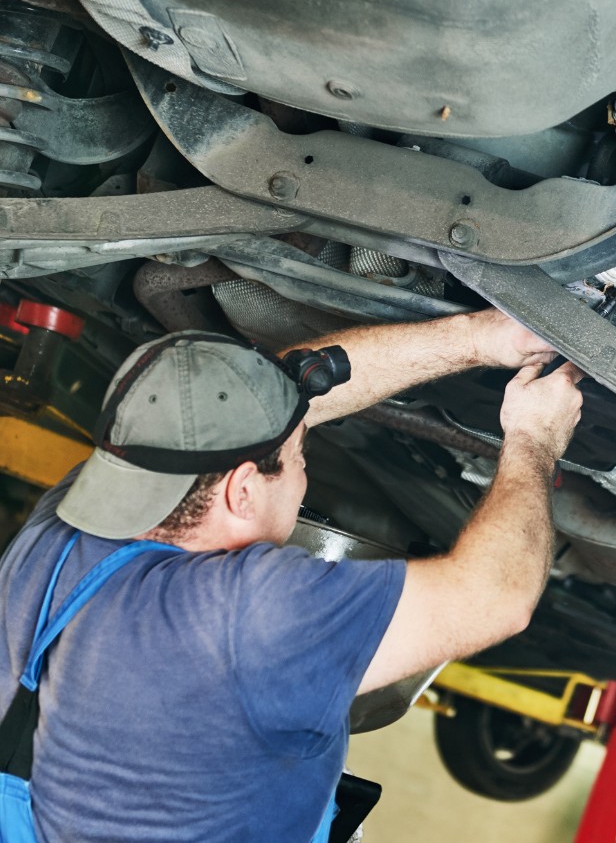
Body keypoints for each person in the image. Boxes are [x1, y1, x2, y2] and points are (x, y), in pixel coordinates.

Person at [0, 307, 584, 841]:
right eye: (301, 460)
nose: (303, 474)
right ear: (243, 490)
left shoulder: (67, 523)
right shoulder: (245, 617)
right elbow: (495, 596)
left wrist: (484, 337)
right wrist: (535, 439)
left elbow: (257, 400)